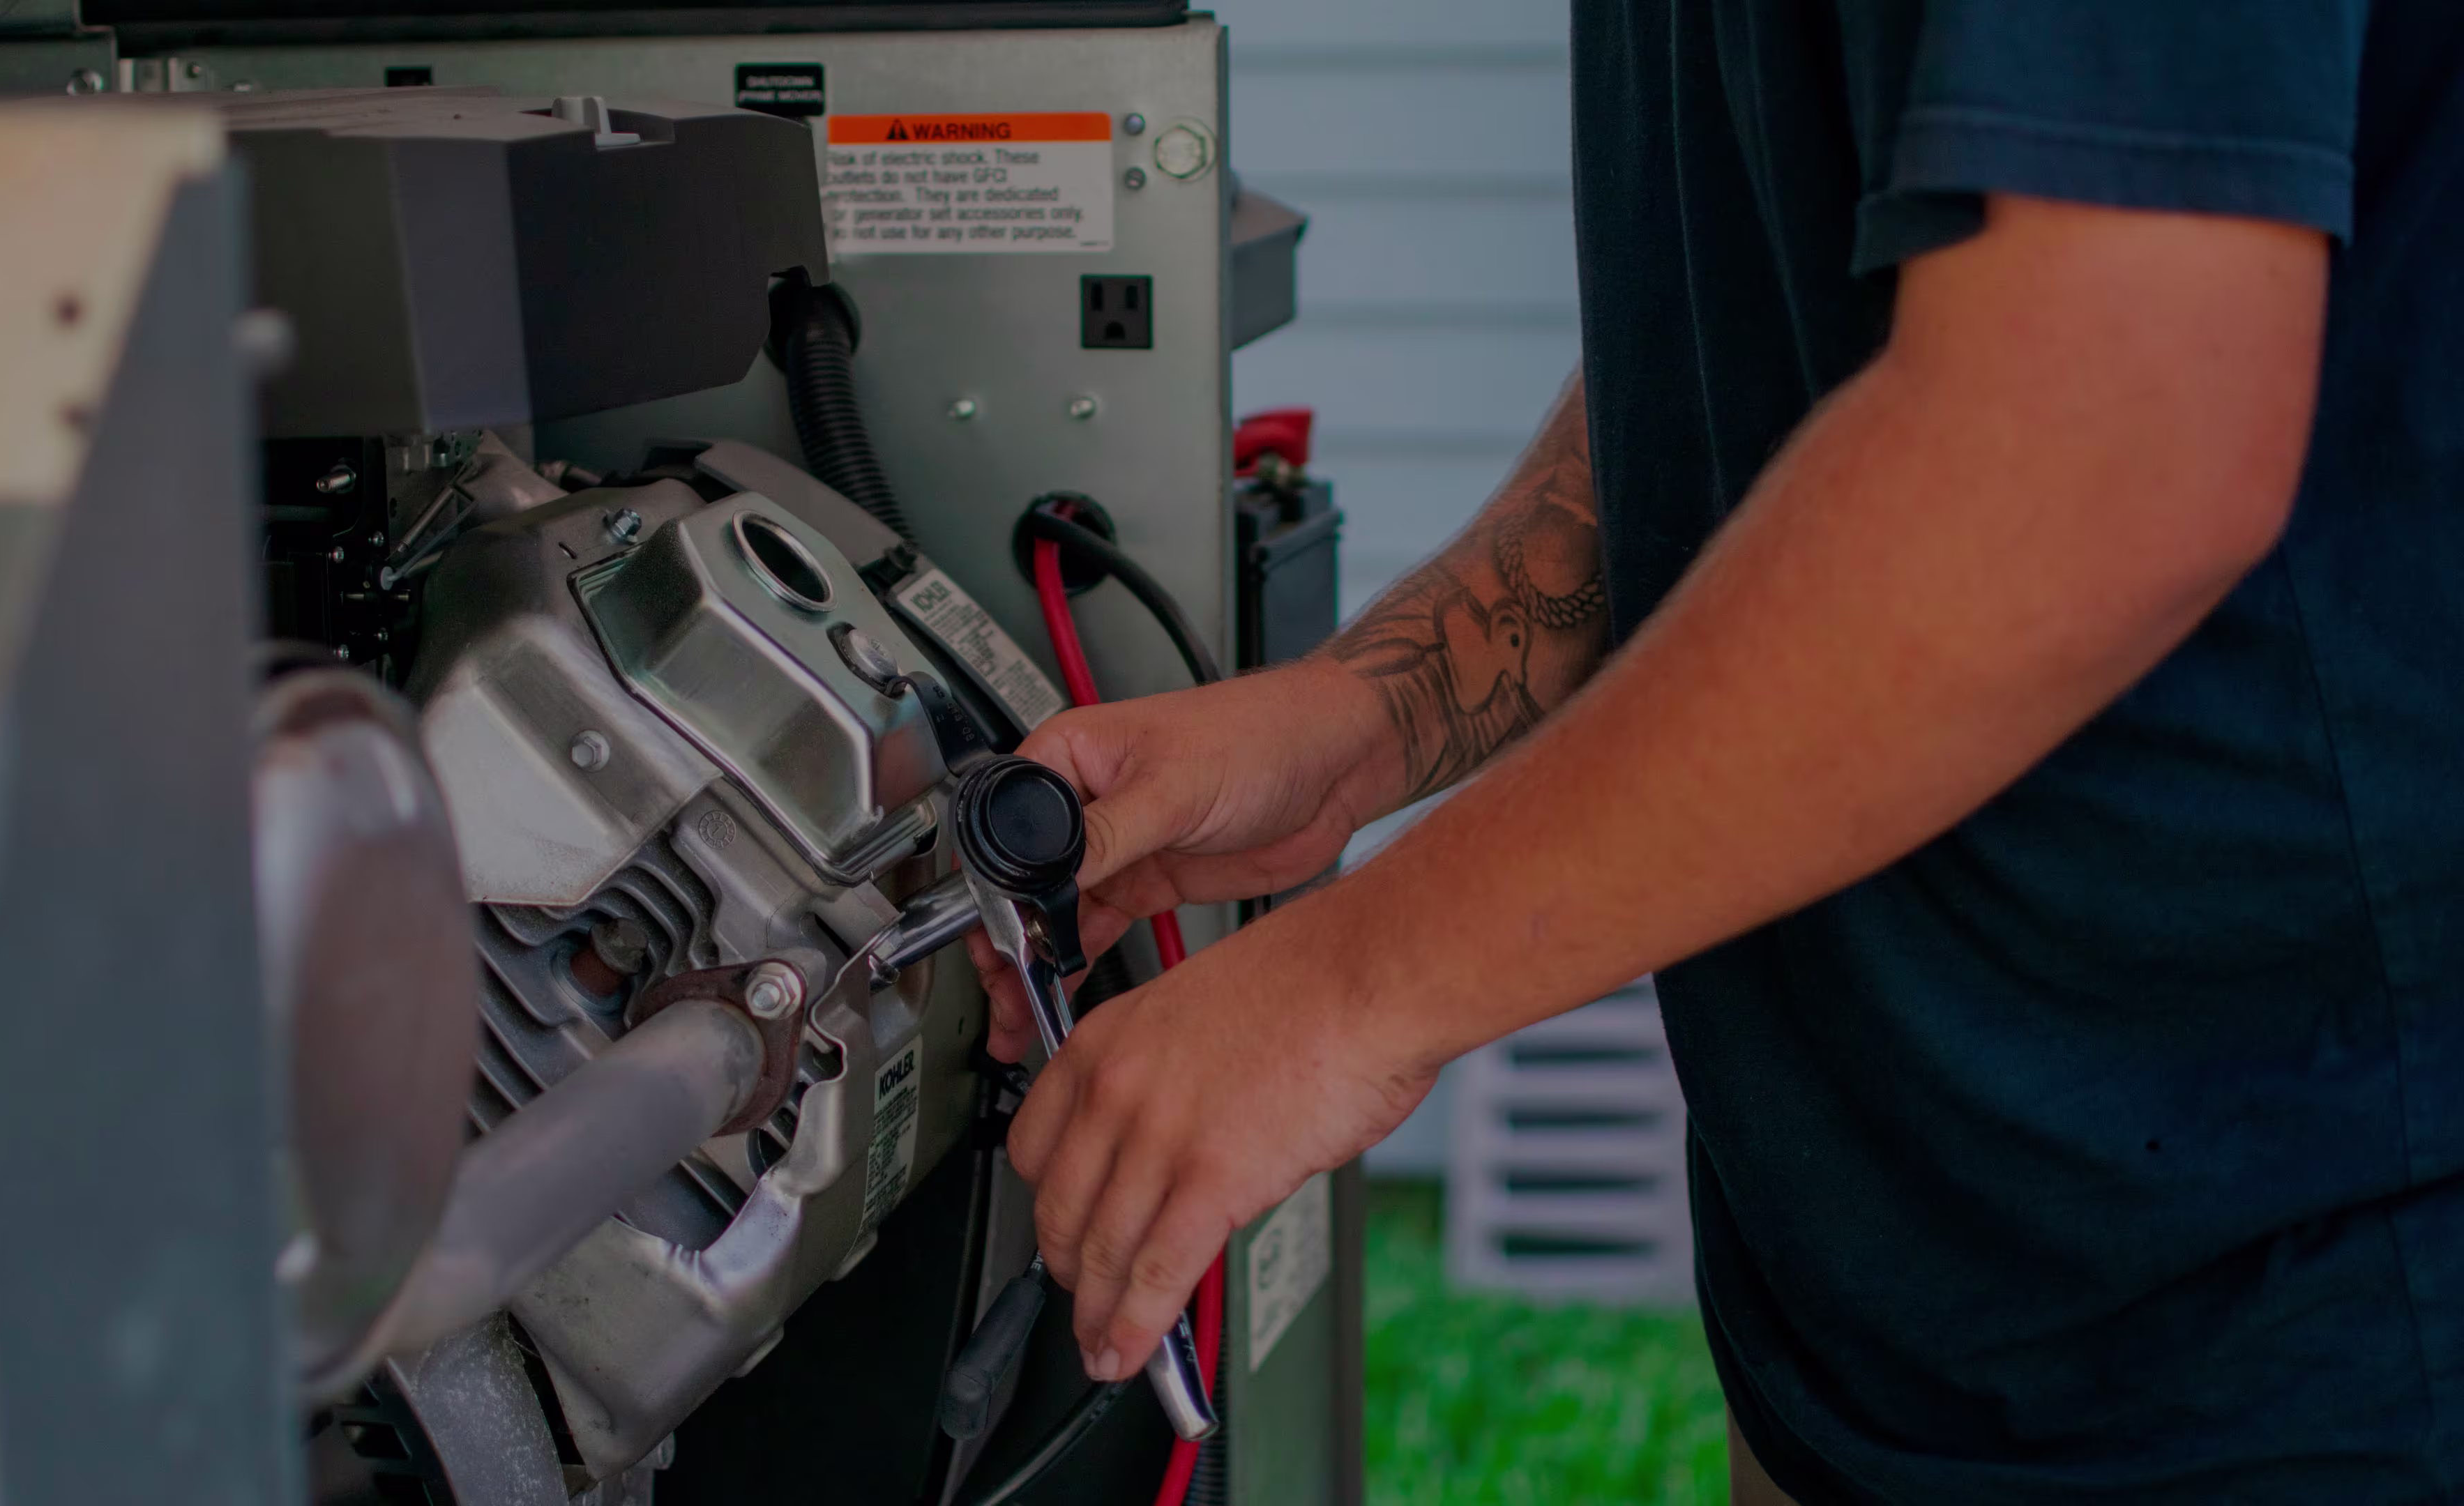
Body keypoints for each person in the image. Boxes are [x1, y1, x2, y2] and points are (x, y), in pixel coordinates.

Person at [970, 3, 2464, 1500]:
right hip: (1885, 1311)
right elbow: (1789, 316)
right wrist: (1368, 719)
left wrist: (1341, 995)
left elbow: (2108, 447)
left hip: (2294, 1326)